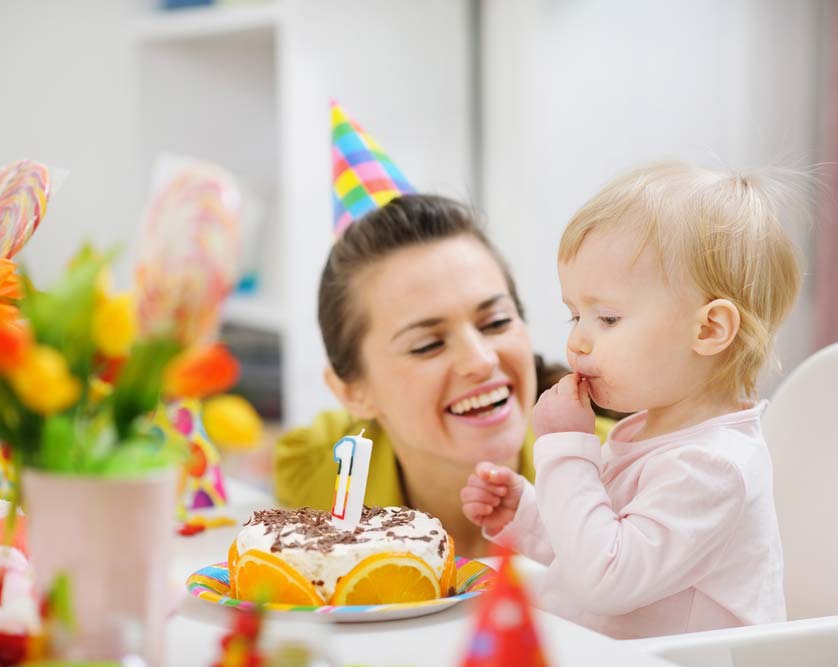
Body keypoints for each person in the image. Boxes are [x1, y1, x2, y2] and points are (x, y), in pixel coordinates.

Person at [461, 161, 804, 639]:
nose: (577, 342)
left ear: (708, 329)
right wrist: (527, 517)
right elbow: (596, 543)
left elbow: (606, 579)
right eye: (573, 316)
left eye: (606, 319)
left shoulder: (712, 467)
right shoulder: (647, 432)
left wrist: (565, 451)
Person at [274, 194, 614, 557]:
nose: (481, 361)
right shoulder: (317, 473)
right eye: (427, 344)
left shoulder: (629, 473)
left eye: (496, 322)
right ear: (353, 392)